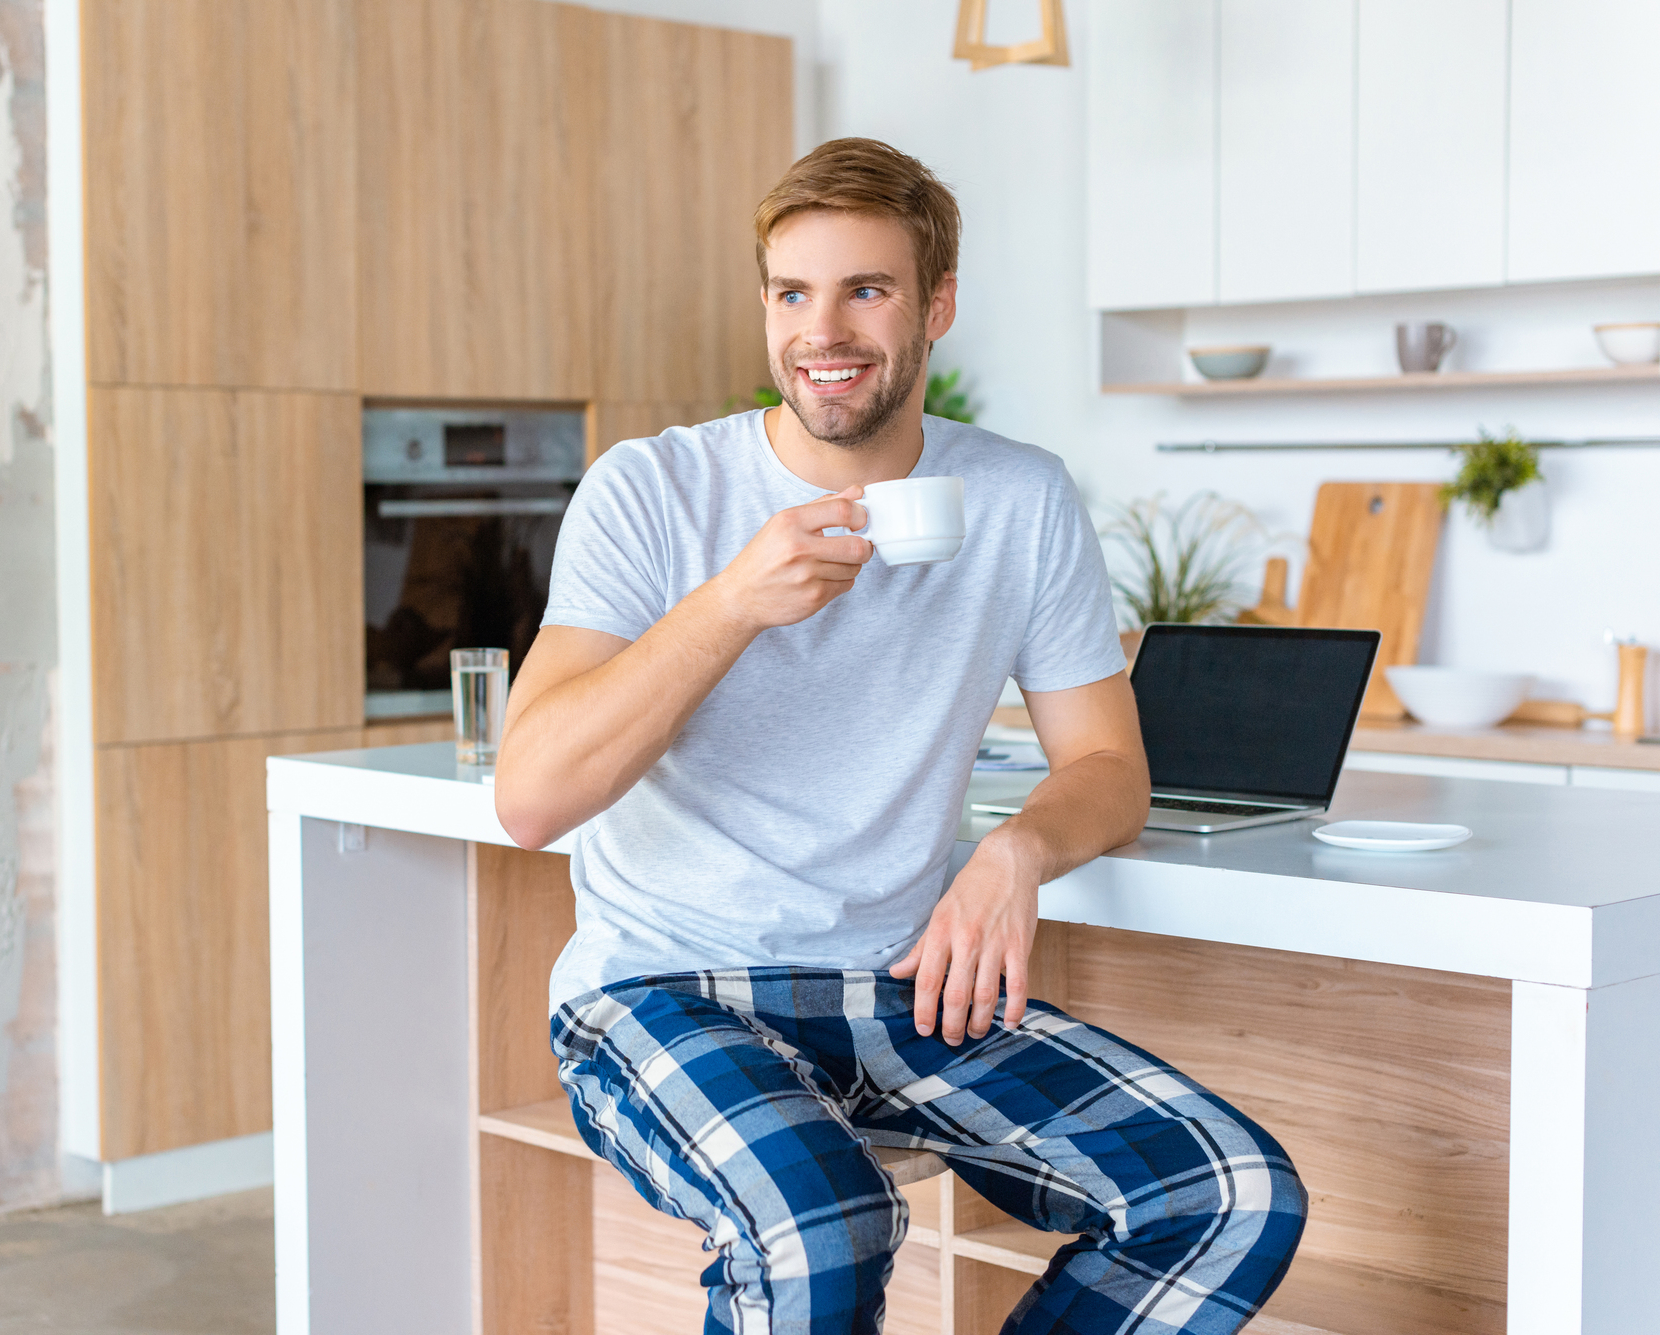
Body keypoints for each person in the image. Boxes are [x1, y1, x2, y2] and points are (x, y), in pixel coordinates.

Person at [493, 137, 1306, 1335]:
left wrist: (1013, 854)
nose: (821, 330)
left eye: (864, 290)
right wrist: (728, 606)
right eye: (791, 293)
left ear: (936, 307)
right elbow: (531, 797)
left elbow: (1107, 768)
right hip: (661, 984)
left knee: (1226, 1194)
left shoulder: (1020, 500)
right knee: (825, 1226)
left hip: (905, 985)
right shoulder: (651, 490)